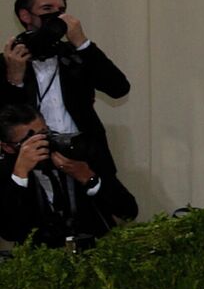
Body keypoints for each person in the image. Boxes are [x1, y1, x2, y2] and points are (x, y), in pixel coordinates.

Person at [4, 0, 133, 193]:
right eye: (47, 9)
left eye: (61, 10)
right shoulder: (8, 63)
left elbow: (118, 88)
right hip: (30, 166)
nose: (56, 16)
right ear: (25, 16)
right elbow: (6, 120)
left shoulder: (75, 56)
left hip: (85, 159)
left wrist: (82, 44)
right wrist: (15, 80)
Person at [0, 104, 137, 249]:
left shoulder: (77, 152)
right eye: (30, 142)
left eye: (44, 134)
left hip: (95, 252)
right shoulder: (7, 172)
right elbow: (10, 232)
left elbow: (128, 211)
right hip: (41, 260)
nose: (42, 144)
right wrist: (20, 175)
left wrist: (89, 178)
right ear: (8, 147)